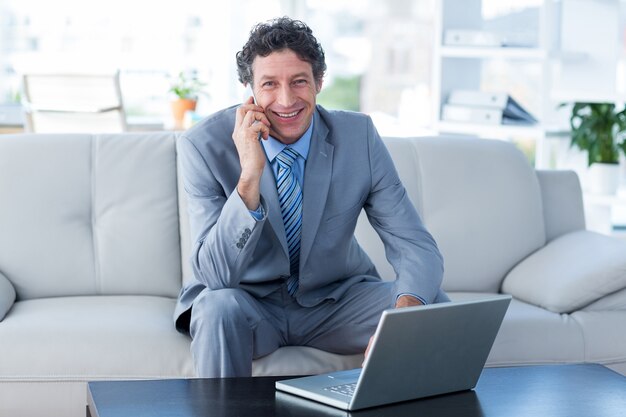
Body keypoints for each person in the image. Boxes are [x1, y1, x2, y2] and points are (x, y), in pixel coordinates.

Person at [174, 16, 449, 378]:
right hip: (248, 303)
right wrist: (249, 176)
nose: (286, 100)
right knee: (215, 308)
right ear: (249, 88)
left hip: (334, 302)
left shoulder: (358, 137)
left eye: (299, 81)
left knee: (430, 305)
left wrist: (406, 314)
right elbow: (215, 275)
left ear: (319, 82)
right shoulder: (203, 146)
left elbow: (414, 244)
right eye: (270, 84)